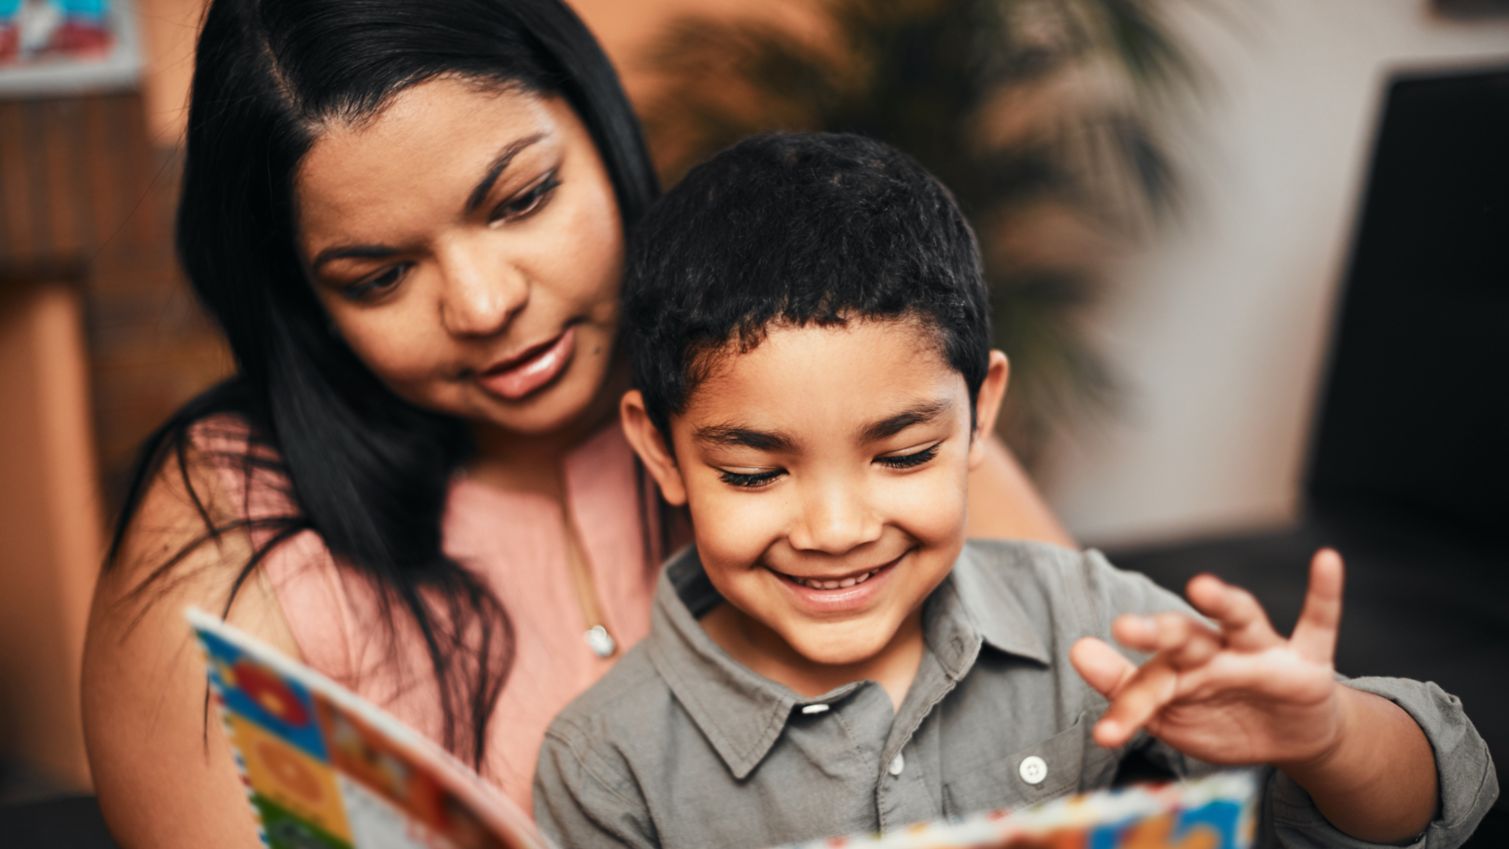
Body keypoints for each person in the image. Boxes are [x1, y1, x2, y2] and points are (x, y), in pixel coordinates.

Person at [78, 1, 1070, 847]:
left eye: (523, 199)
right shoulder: (228, 536)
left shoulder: (811, 372)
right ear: (306, 302)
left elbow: (1089, 734)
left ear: (598, 124)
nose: (481, 303)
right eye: (380, 277)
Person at [532, 132, 1497, 849]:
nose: (835, 528)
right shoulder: (607, 766)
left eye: (903, 454)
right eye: (753, 473)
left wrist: (1326, 737)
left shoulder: (1085, 618)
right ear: (659, 452)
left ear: (979, 414)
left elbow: (1439, 803)